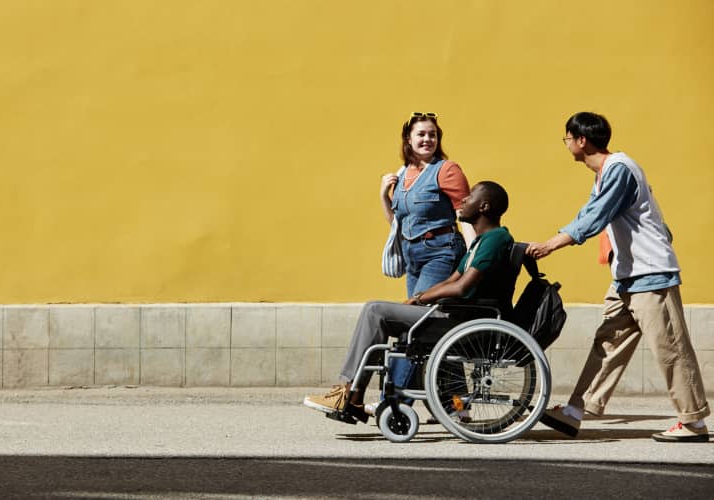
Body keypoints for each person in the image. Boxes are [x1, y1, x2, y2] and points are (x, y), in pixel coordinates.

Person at [526, 111, 710, 443]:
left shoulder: (620, 168)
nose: (566, 144)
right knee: (607, 344)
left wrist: (552, 244)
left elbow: (595, 216)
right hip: (627, 275)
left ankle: (693, 420)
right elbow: (592, 213)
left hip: (652, 273)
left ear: (582, 140)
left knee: (669, 348)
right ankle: (575, 411)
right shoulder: (605, 174)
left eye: (567, 138)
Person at [304, 181, 514, 417]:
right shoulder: (481, 241)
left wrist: (422, 297)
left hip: (463, 321)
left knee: (374, 310)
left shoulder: (495, 239)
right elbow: (451, 280)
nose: (464, 199)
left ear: (484, 206)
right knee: (383, 315)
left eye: (470, 196)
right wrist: (418, 298)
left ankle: (348, 391)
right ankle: (353, 396)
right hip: (459, 316)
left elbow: (461, 287)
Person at [374, 112, 474, 412]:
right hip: (413, 257)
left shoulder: (447, 170)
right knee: (433, 328)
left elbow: (466, 215)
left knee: (416, 324)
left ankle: (393, 402)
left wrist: (474, 255)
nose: (427, 139)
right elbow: (397, 224)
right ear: (408, 139)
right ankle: (456, 405)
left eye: (432, 134)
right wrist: (383, 195)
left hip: (441, 252)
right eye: (421, 134)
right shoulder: (402, 174)